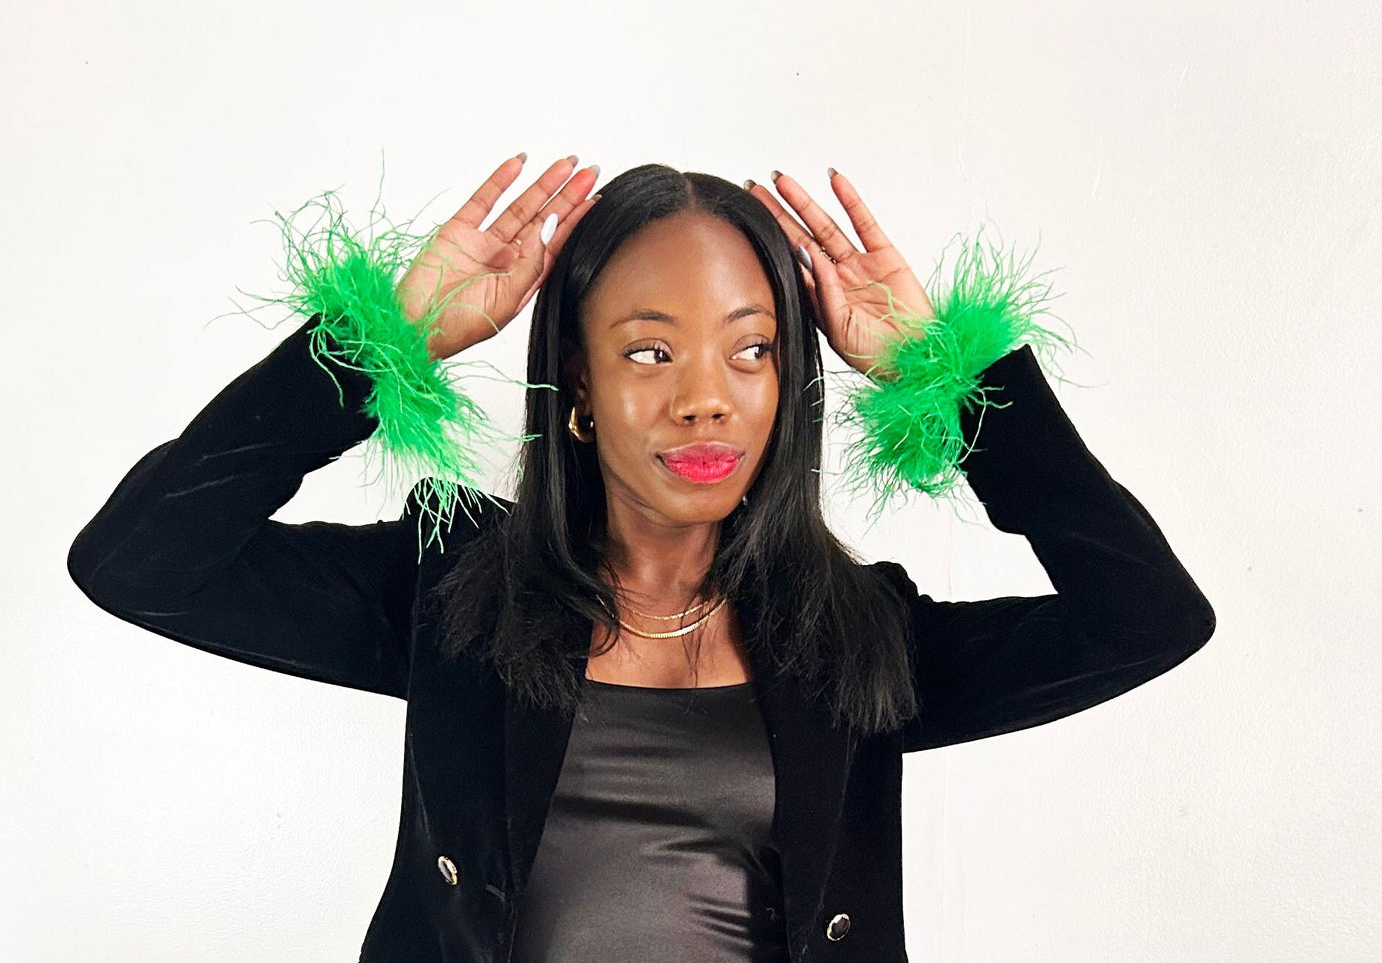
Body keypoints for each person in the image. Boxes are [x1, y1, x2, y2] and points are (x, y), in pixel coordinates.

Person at [67, 154, 1216, 962]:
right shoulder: (452, 593)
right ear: (574, 384)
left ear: (790, 385)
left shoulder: (859, 640)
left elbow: (1149, 618)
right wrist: (373, 349)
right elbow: (139, 561)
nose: (704, 400)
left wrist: (959, 387)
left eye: (751, 350)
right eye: (649, 350)